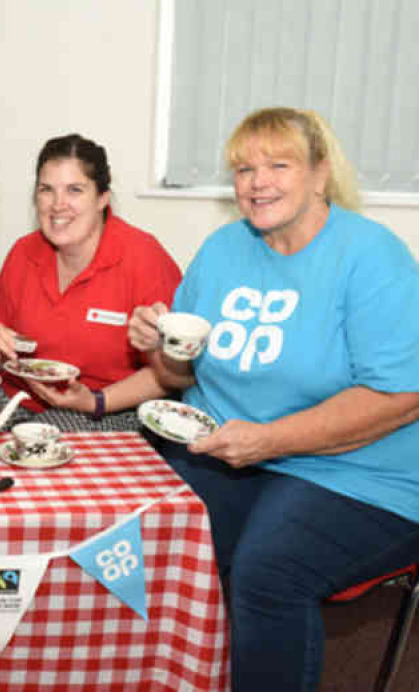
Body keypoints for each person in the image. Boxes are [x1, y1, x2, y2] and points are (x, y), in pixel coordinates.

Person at [128, 107, 419, 692]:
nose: (257, 181)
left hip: (356, 472)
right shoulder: (222, 250)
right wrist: (159, 346)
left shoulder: (372, 255)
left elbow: (402, 397)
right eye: (243, 169)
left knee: (268, 569)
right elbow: (180, 376)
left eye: (277, 164)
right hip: (233, 450)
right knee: (136, 527)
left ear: (319, 173)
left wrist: (269, 441)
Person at [0, 134, 181, 432]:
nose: (58, 205)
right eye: (46, 190)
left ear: (103, 198)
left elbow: (175, 372)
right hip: (16, 397)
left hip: (106, 408)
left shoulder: (143, 257)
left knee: (38, 445)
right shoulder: (23, 252)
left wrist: (96, 401)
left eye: (75, 190)